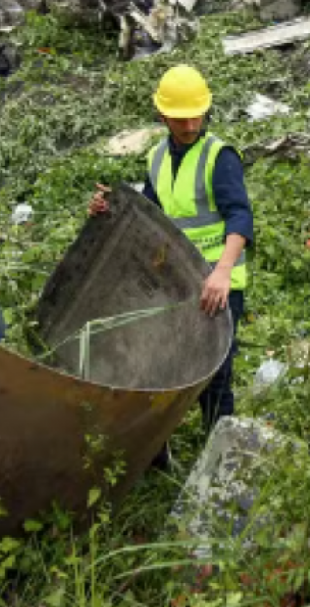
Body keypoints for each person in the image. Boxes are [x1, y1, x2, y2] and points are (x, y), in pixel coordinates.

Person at [88, 66, 253, 447]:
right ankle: (157, 457)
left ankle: (219, 452)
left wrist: (223, 271)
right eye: (181, 117)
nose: (190, 123)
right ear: (163, 115)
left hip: (218, 284)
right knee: (164, 368)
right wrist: (108, 207)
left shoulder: (219, 157)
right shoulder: (158, 158)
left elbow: (240, 216)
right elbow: (149, 215)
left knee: (215, 376)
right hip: (177, 284)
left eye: (196, 114)